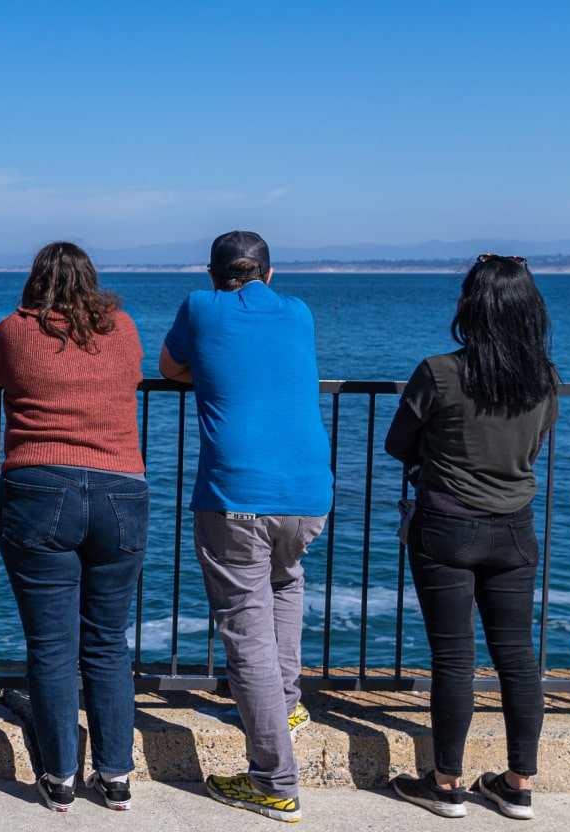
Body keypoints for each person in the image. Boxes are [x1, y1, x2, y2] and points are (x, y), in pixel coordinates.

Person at [158, 230, 333, 823]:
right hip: (310, 492)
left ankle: (274, 782)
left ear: (211, 273)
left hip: (237, 492)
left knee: (244, 629)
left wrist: (209, 372)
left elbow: (168, 367)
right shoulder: (299, 311)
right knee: (285, 583)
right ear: (269, 272)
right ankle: (285, 706)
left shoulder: (201, 306)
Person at [0, 242, 147, 814]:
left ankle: (59, 777)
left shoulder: (17, 329)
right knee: (106, 641)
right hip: (122, 488)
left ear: (34, 281)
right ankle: (117, 776)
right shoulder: (122, 329)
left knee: (51, 646)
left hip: (40, 486)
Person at [382, 255, 557, 822]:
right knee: (517, 659)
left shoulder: (439, 371)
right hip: (514, 530)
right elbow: (531, 450)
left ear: (469, 307)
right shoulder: (544, 380)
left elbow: (398, 444)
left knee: (453, 659)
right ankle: (518, 784)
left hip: (446, 528)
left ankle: (447, 784)